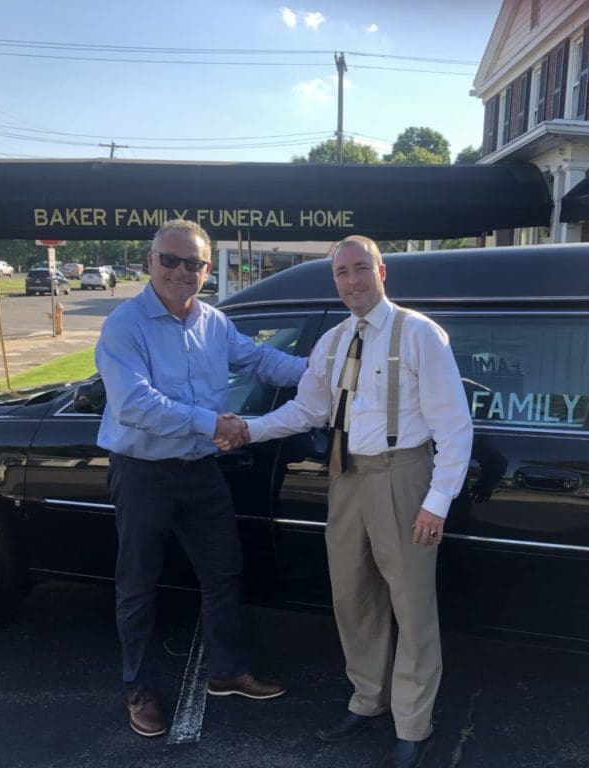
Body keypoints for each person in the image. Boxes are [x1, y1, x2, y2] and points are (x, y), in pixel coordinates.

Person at [223, 235, 472, 768]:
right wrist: (248, 428)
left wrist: (436, 502)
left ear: (383, 273)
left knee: (411, 604)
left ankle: (413, 724)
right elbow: (305, 411)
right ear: (334, 280)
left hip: (403, 475)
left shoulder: (419, 334)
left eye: (362, 269)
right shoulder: (334, 342)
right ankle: (368, 699)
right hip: (346, 478)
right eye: (342, 273)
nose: (353, 281)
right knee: (352, 598)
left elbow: (454, 426)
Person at [94, 218, 307, 738]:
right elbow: (135, 404)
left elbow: (259, 361)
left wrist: (327, 369)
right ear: (150, 261)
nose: (181, 271)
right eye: (170, 260)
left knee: (224, 572)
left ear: (207, 270)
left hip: (200, 471)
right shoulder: (125, 325)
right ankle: (138, 689)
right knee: (138, 585)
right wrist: (214, 423)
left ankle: (228, 672)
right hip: (143, 471)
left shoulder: (213, 322)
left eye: (193, 263)